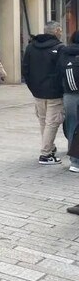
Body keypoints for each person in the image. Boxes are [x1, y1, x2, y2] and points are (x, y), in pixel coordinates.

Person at [22, 21, 64, 165]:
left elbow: (25, 69)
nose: (61, 33)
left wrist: (33, 87)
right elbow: (62, 71)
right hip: (54, 93)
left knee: (44, 122)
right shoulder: (60, 48)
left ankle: (50, 148)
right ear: (56, 31)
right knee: (52, 123)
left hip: (37, 92)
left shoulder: (31, 47)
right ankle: (46, 154)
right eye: (60, 30)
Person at [59, 30, 79, 173]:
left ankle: (74, 162)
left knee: (72, 127)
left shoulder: (64, 52)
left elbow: (57, 73)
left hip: (69, 95)